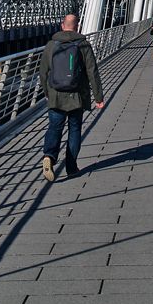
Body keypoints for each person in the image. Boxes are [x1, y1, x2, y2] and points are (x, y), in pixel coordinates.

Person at [39, 14, 104, 181]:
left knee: (54, 127)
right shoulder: (83, 45)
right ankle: (71, 167)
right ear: (78, 26)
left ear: (62, 26)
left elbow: (43, 72)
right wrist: (98, 97)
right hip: (77, 96)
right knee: (74, 130)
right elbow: (92, 72)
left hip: (55, 95)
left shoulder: (51, 45)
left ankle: (49, 156)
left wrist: (47, 93)